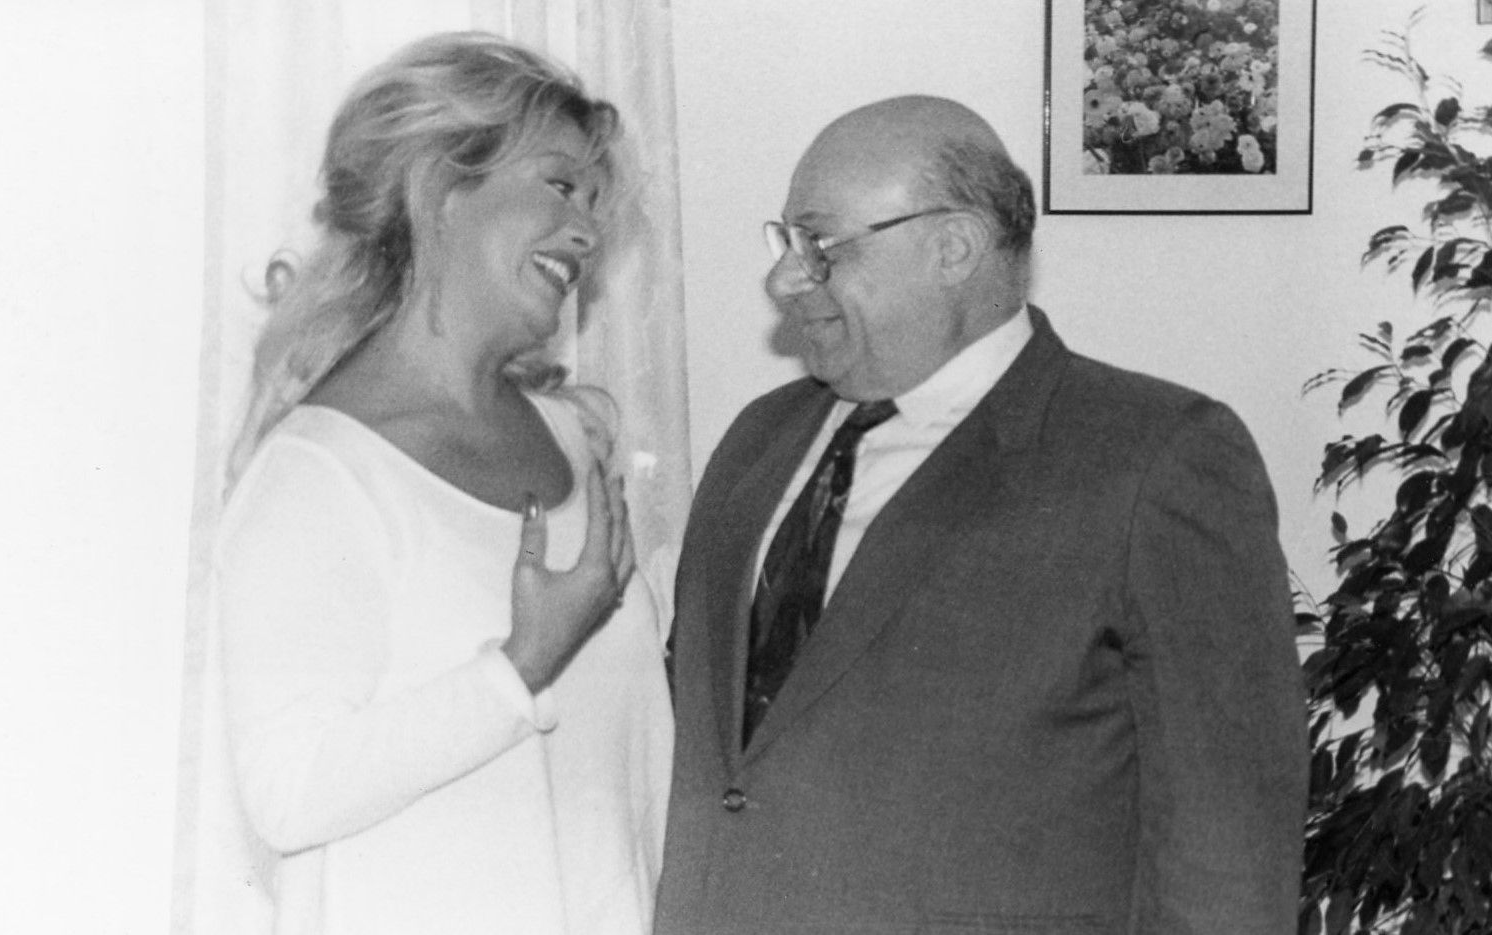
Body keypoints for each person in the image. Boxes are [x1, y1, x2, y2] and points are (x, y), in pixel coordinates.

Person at [654, 95, 1307, 934]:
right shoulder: (758, 440)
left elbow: (1228, 852)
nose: (782, 280)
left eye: (818, 245)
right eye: (785, 244)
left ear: (953, 247)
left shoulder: (1156, 458)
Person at [211, 33, 671, 935]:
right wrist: (519, 666)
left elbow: (634, 769)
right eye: (559, 186)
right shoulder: (319, 474)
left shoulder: (575, 437)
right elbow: (287, 793)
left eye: (593, 201)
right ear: (439, 191)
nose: (587, 231)